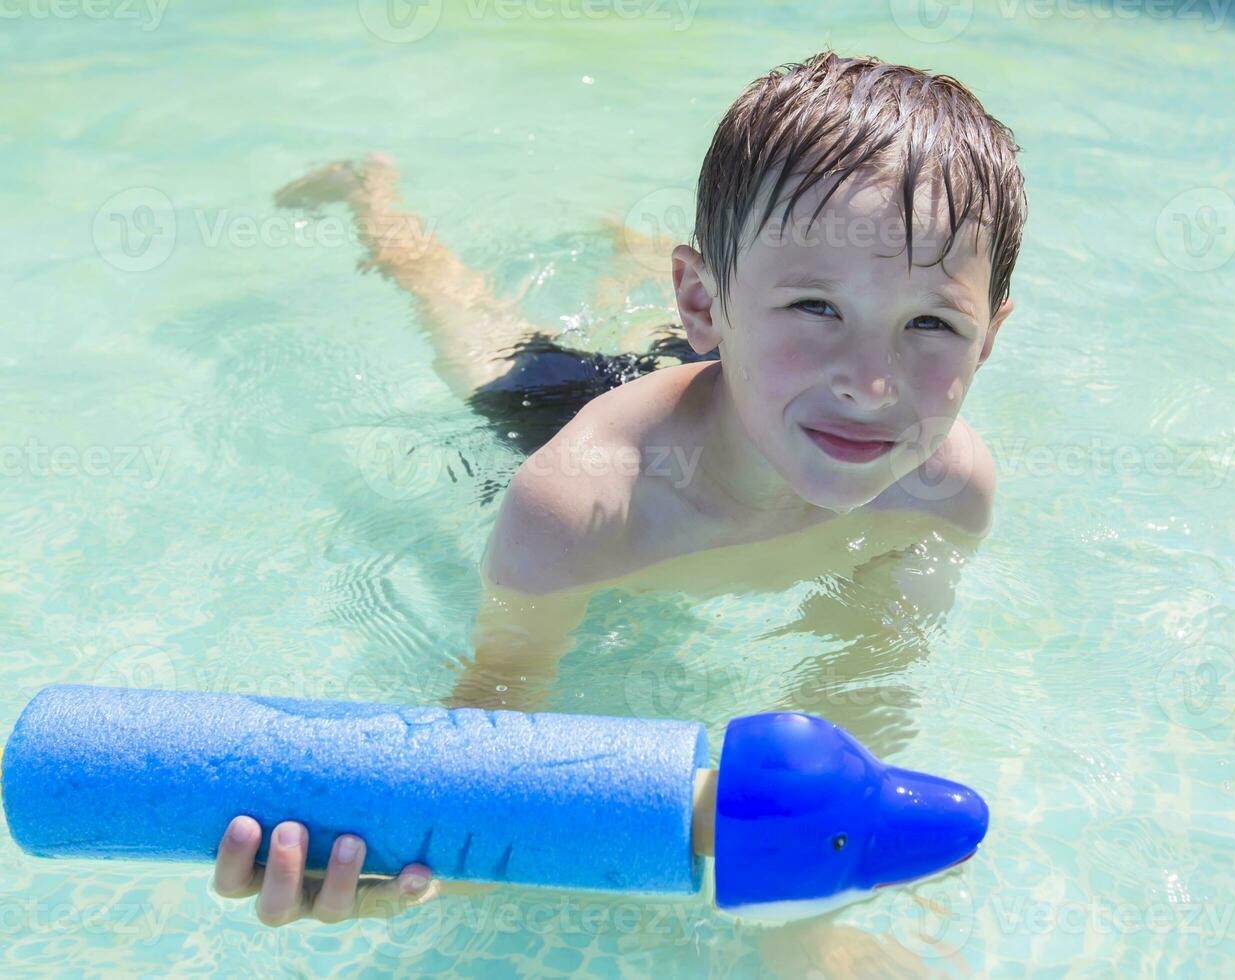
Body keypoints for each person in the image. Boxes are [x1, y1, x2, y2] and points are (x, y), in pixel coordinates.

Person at [213, 50, 1026, 975]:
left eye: (931, 324)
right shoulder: (579, 505)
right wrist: (406, 866)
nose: (872, 387)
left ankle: (650, 260)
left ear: (991, 335)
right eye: (817, 305)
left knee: (674, 339)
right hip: (598, 410)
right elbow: (495, 726)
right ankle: (374, 198)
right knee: (466, 330)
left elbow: (860, 689)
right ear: (706, 304)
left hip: (745, 387)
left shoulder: (943, 490)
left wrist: (812, 905)